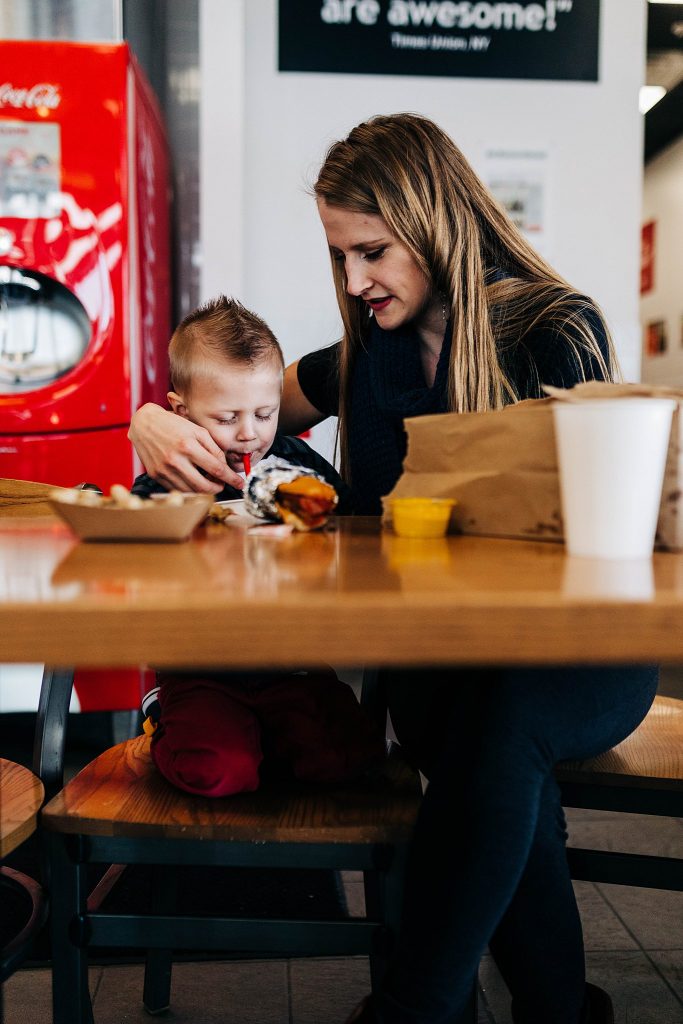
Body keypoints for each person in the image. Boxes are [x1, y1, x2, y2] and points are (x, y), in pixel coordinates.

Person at [129, 115, 656, 1023]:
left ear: (434, 219)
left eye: (370, 251)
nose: (353, 280)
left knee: (496, 728)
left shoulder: (550, 330)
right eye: (340, 255)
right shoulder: (364, 355)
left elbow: (602, 544)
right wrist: (150, 419)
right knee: (481, 733)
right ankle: (561, 1011)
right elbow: (241, 403)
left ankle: (416, 1011)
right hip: (447, 664)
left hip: (578, 655)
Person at [132, 295, 382, 798]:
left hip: (293, 663)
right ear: (180, 412)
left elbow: (355, 530)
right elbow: (138, 561)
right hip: (203, 669)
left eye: (265, 413)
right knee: (220, 773)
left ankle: (264, 735)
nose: (250, 434)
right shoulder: (169, 479)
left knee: (348, 760)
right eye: (227, 418)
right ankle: (163, 714)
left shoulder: (297, 464)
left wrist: (316, 529)